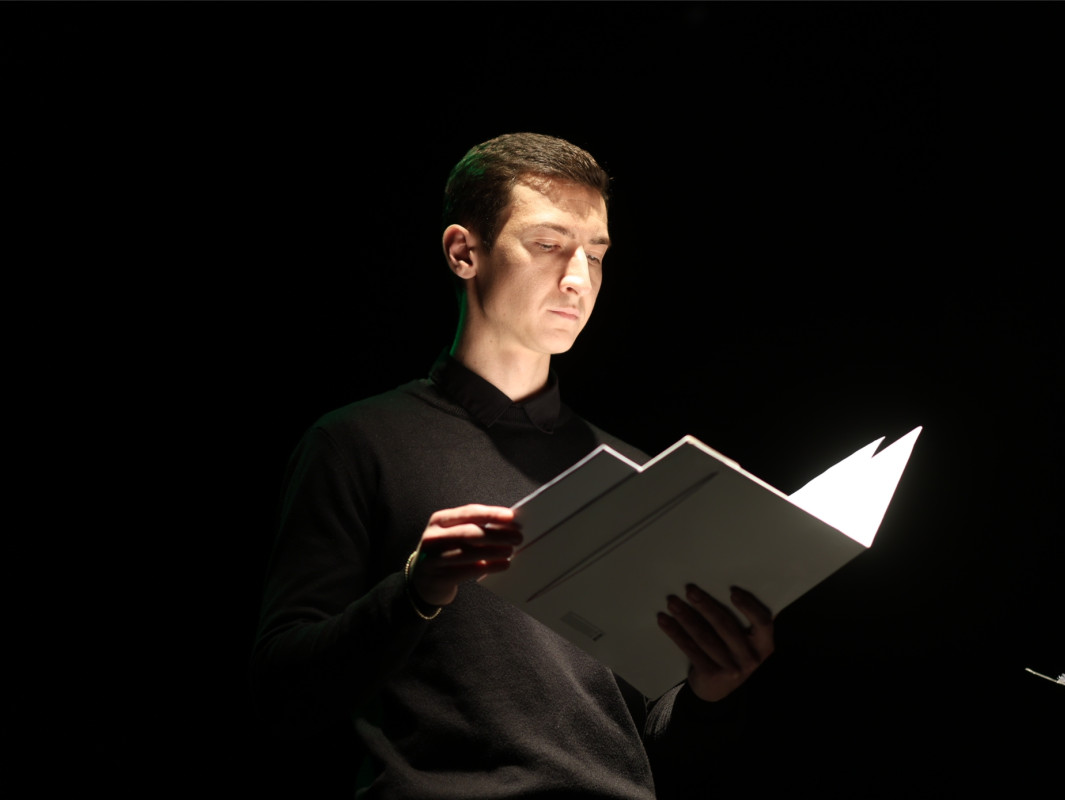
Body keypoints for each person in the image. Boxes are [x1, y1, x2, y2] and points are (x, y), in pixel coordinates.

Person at [251, 132, 776, 798]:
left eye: (596, 254)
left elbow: (644, 733)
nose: (579, 279)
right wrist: (415, 590)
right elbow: (283, 696)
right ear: (463, 252)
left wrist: (711, 689)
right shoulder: (357, 442)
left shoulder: (634, 473)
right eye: (549, 244)